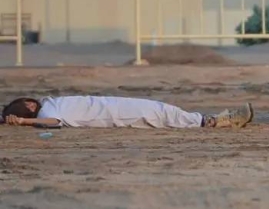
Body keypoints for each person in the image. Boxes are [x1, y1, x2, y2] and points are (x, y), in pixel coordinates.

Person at [2, 95, 253, 129]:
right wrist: (22, 121)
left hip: (114, 106)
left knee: (161, 111)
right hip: (114, 112)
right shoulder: (46, 110)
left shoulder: (49, 103)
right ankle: (216, 121)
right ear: (30, 106)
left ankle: (211, 119)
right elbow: (54, 122)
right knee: (162, 114)